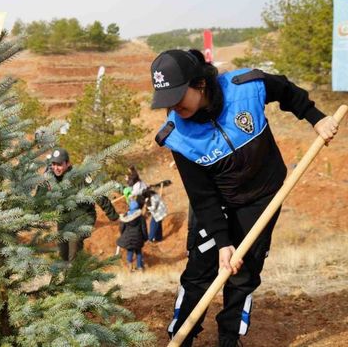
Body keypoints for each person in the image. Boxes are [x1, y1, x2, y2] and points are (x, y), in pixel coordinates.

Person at [150, 49, 339, 346]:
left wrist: (315, 118)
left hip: (261, 197)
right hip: (215, 202)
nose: (172, 106)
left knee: (244, 271)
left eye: (177, 95)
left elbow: (286, 90)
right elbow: (202, 196)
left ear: (199, 83)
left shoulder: (246, 87)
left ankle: (229, 338)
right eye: (166, 99)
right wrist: (223, 242)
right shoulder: (178, 136)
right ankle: (181, 335)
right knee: (201, 271)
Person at [37, 148, 119, 261]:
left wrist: (113, 216)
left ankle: (74, 271)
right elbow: (38, 197)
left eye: (59, 164)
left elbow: (99, 194)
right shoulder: (49, 176)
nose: (56, 168)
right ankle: (68, 274)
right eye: (54, 164)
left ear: (68, 163)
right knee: (63, 253)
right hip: (64, 218)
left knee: (74, 246)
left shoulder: (80, 176)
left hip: (84, 216)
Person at [117, 188, 147, 271]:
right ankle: (140, 267)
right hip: (138, 238)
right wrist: (145, 237)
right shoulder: (141, 217)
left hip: (128, 239)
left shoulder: (126, 216)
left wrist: (123, 235)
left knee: (130, 252)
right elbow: (144, 228)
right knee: (138, 252)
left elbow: (122, 227)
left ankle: (130, 267)